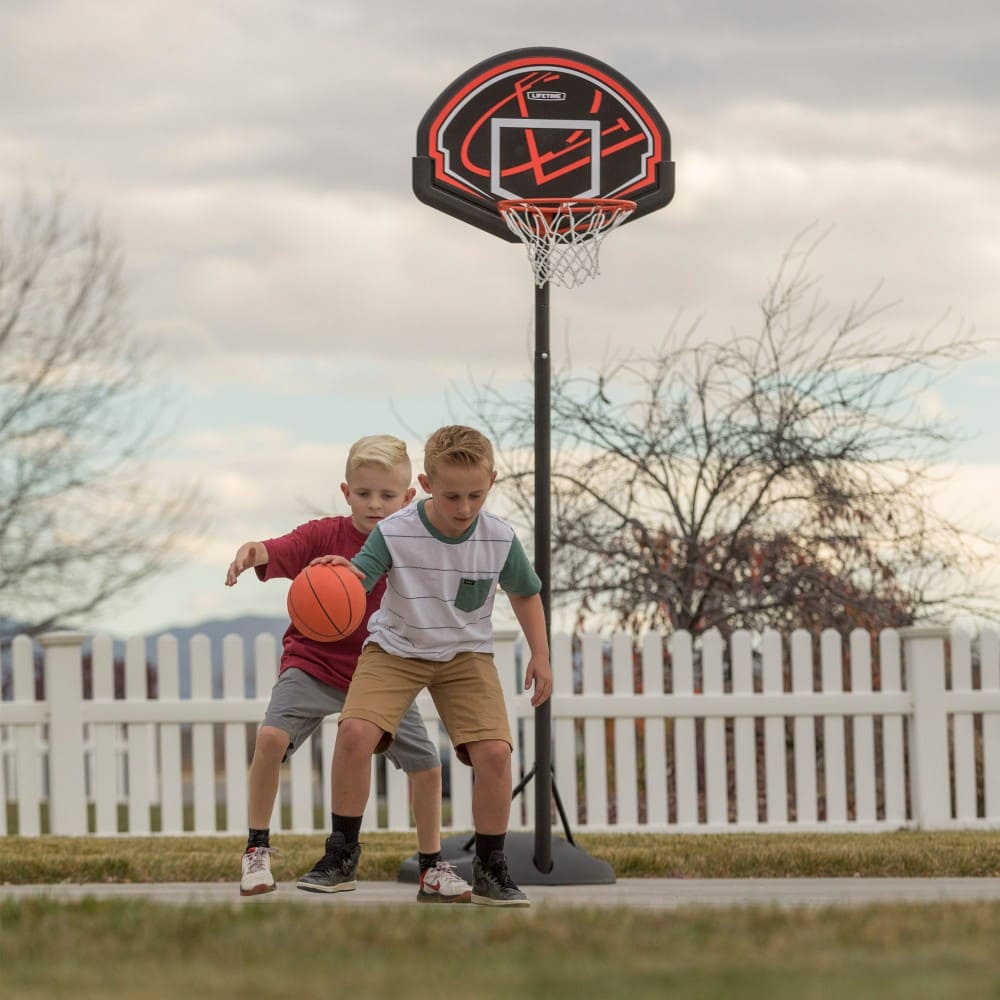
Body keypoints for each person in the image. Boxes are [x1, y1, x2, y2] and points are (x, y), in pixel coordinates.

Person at [303, 424, 552, 907]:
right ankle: (340, 856)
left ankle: (491, 867)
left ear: (493, 481)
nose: (464, 508)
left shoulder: (499, 538)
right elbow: (360, 576)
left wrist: (541, 656)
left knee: (496, 753)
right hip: (396, 648)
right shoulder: (396, 531)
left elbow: (525, 592)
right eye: (452, 495)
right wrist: (340, 575)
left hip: (464, 655)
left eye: (475, 495)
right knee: (353, 732)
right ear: (427, 483)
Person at [225, 434, 472, 903]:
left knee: (426, 766)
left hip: (381, 671)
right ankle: (256, 850)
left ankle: (431, 867)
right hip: (313, 662)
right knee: (270, 739)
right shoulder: (324, 535)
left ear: (408, 497)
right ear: (346, 492)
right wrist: (249, 552)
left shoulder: (411, 545)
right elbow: (274, 548)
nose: (375, 505)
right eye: (364, 494)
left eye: (387, 496)